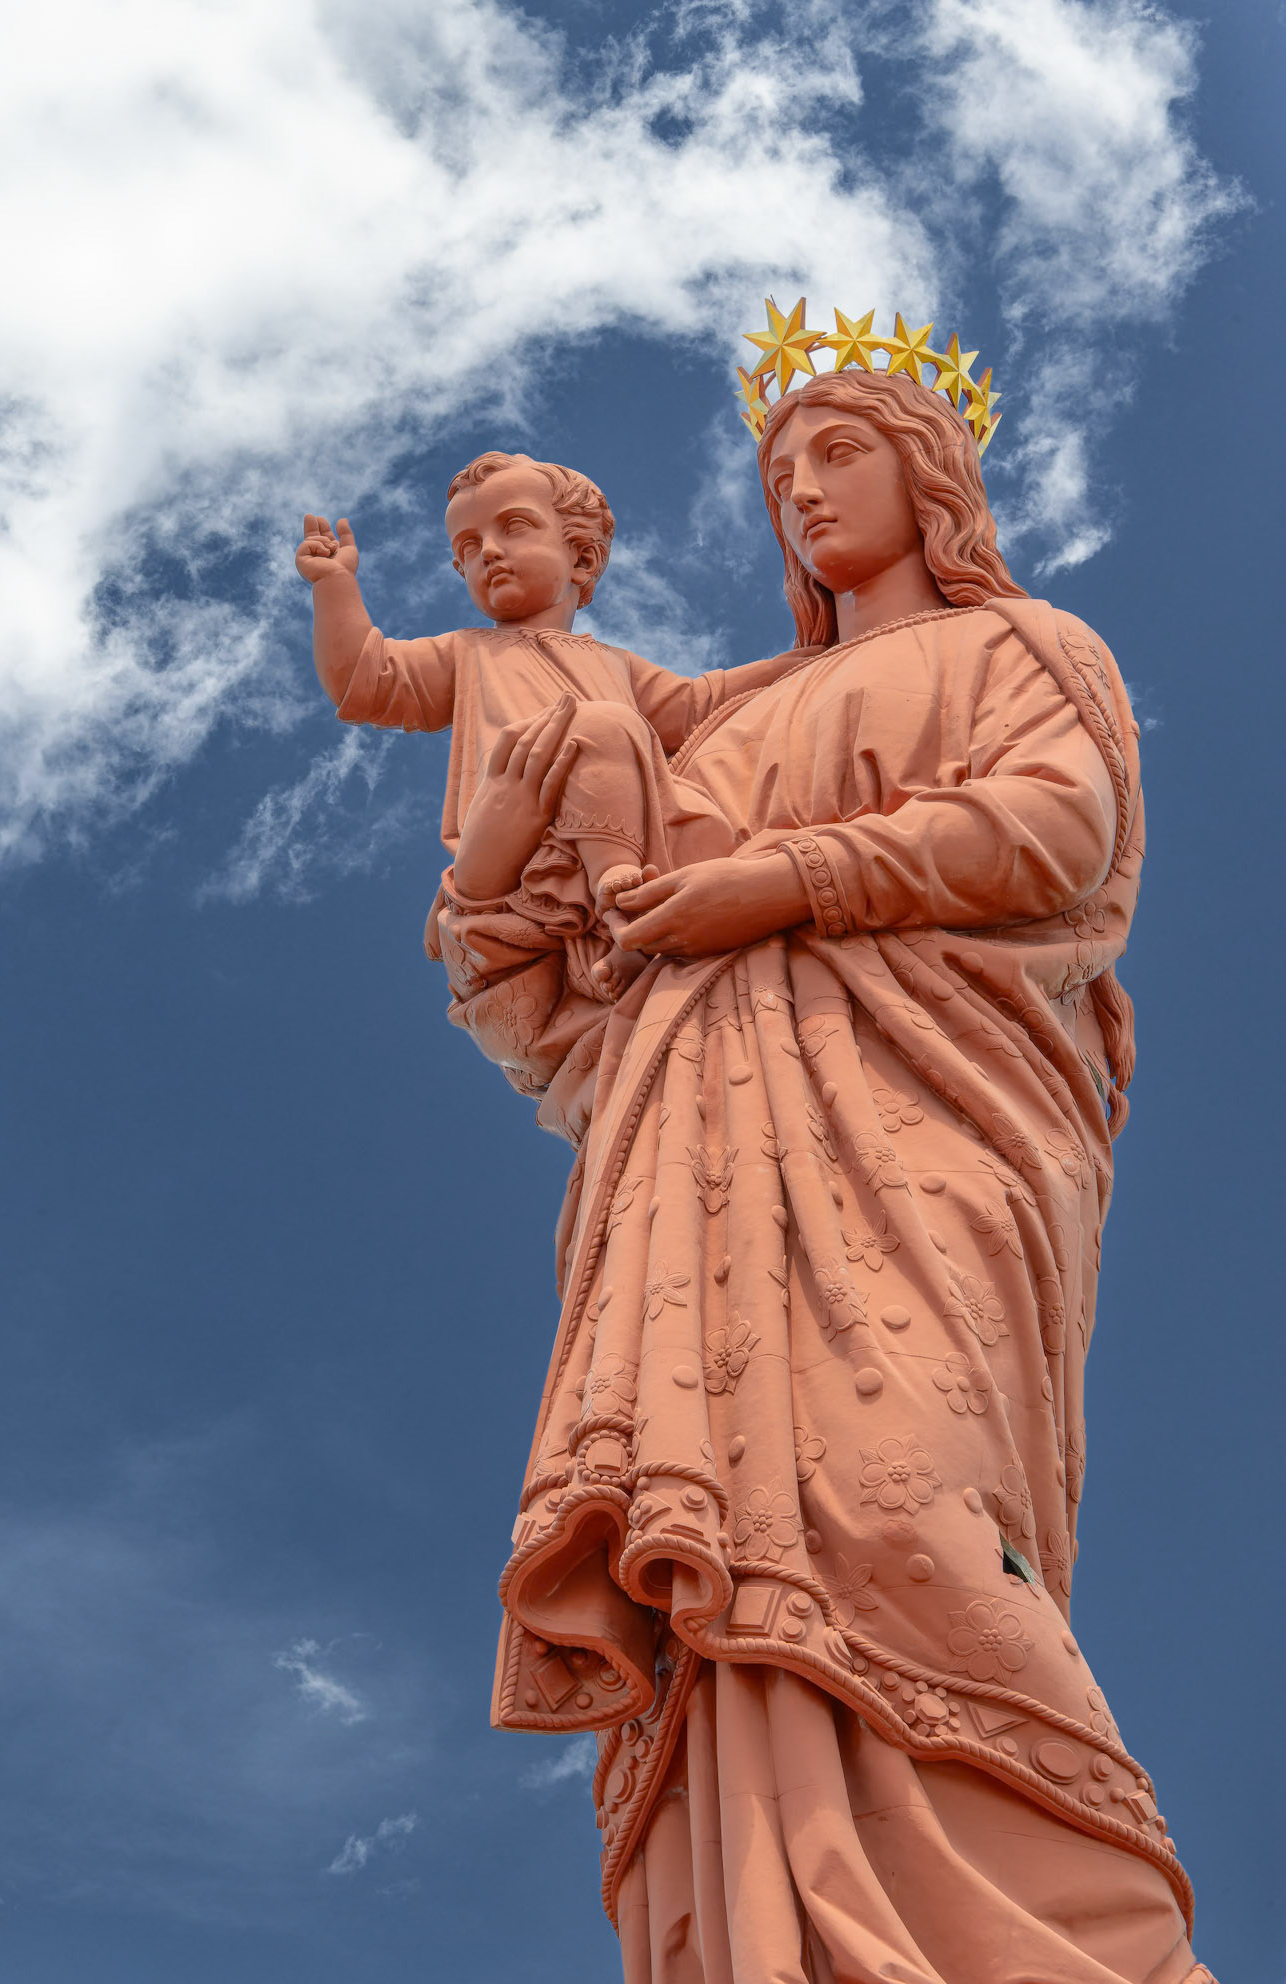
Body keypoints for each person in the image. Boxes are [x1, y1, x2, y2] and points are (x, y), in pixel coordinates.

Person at [430, 367, 1216, 1983]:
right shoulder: (713, 719)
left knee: (904, 1504)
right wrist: (501, 876)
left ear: (926, 471)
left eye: (836, 449)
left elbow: (1052, 829)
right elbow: (564, 998)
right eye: (780, 469)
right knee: (714, 1590)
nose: (801, 490)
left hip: (931, 1119)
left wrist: (777, 878)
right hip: (697, 1143)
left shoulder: (1023, 650)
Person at [296, 451, 809, 999]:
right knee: (601, 725)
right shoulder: (468, 652)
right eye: (467, 548)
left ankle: (626, 912)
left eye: (513, 527)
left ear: (582, 558)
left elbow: (698, 703)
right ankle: (622, 900)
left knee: (613, 732)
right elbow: (364, 678)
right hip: (526, 842)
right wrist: (333, 584)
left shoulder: (615, 665)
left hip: (628, 829)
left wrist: (806, 659)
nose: (488, 551)